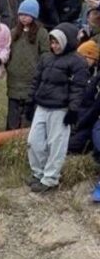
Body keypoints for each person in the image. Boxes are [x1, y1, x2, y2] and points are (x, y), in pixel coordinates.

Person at [27, 22, 89, 193]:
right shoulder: (46, 58)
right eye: (52, 42)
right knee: (34, 142)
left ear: (66, 41)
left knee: (56, 145)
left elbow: (78, 88)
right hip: (42, 106)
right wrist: (30, 102)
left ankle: (50, 179)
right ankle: (38, 173)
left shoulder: (78, 62)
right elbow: (36, 80)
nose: (54, 46)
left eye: (57, 42)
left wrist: (73, 110)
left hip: (61, 110)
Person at [6, 0, 50, 130]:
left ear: (34, 16)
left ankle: (27, 132)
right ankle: (10, 132)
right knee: (13, 107)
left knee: (28, 107)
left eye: (27, 15)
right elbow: (8, 51)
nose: (24, 18)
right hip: (14, 77)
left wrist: (40, 70)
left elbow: (45, 53)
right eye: (21, 15)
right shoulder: (14, 32)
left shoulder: (41, 33)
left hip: (31, 77)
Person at [68, 41, 100, 154]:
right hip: (76, 119)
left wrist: (80, 123)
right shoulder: (78, 73)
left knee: (71, 145)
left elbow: (94, 109)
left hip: (88, 121)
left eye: (83, 57)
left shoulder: (96, 80)